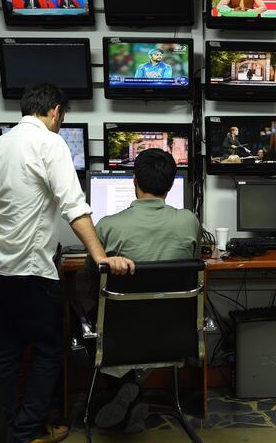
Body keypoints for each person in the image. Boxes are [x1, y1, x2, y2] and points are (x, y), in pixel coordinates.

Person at [0, 83, 134, 443]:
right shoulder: (50, 143)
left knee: (6, 350)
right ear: (56, 112)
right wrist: (100, 256)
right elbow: (74, 206)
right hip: (30, 268)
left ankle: (11, 424)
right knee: (49, 351)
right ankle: (27, 432)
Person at [81, 148, 201, 432]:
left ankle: (126, 386)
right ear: (171, 185)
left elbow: (87, 279)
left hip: (121, 334)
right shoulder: (189, 222)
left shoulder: (108, 226)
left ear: (133, 180)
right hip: (174, 332)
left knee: (87, 313)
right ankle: (134, 393)